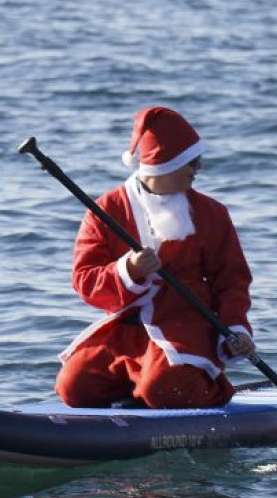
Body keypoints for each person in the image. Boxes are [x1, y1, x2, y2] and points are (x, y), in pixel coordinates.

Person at [54, 106, 256, 409]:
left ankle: (210, 389)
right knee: (73, 388)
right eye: (190, 162)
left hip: (186, 324)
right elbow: (84, 280)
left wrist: (235, 326)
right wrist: (128, 270)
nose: (197, 169)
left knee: (163, 389)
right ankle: (137, 388)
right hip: (125, 327)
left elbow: (231, 280)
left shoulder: (212, 213)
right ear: (163, 166)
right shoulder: (106, 210)